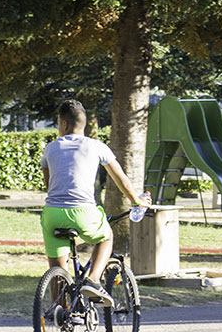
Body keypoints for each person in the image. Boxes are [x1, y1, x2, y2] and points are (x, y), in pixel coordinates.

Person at [41, 99, 150, 305]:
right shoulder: (97, 146)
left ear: (63, 124)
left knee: (57, 268)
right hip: (84, 212)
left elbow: (49, 185)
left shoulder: (50, 149)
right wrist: (137, 201)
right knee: (106, 236)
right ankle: (93, 280)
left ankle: (61, 315)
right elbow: (121, 178)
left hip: (53, 214)